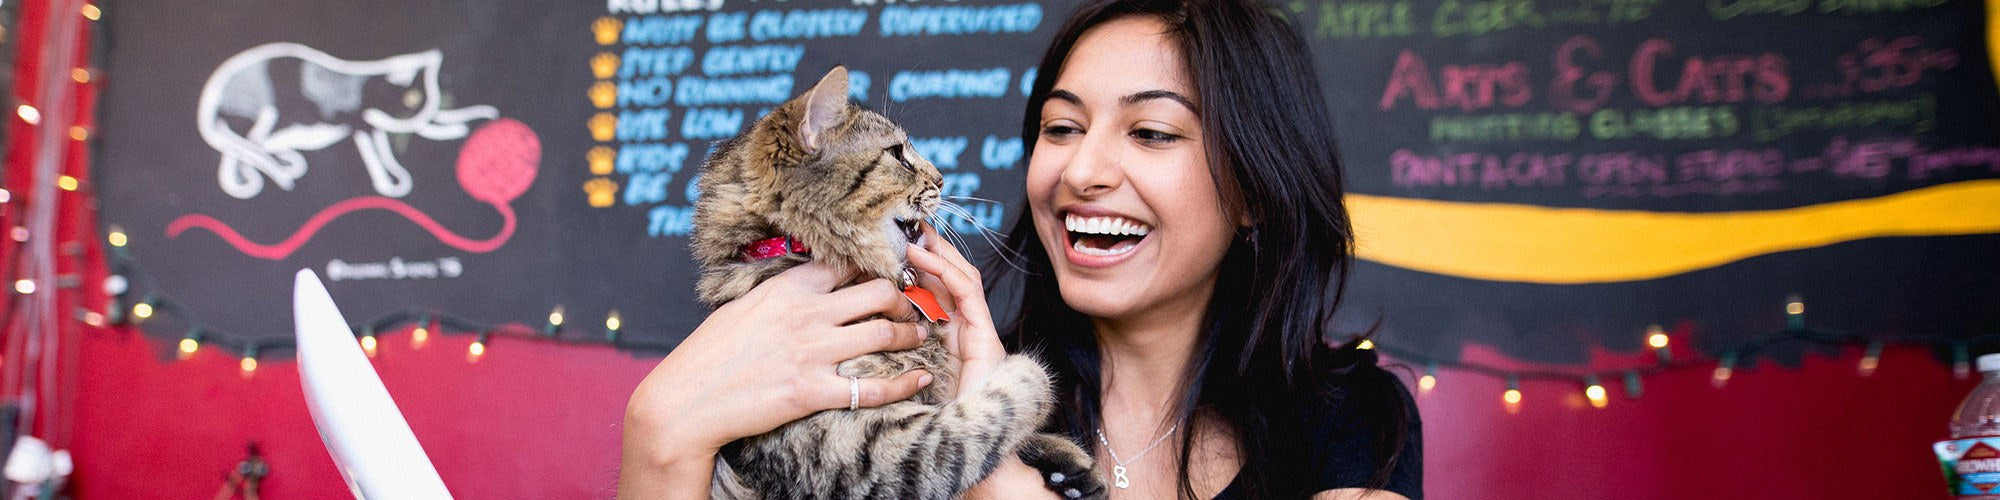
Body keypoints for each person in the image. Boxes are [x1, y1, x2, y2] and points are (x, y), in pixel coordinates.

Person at [619, 0, 1421, 497]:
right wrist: (659, 432)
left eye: (1150, 131)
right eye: (1061, 128)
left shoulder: (1351, 419)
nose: (1083, 170)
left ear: (1252, 188)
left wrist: (997, 476)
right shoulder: (919, 373)